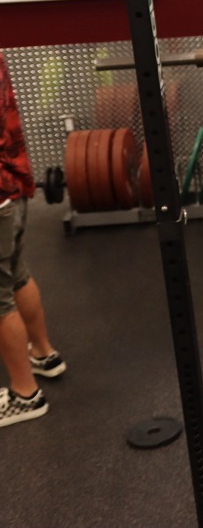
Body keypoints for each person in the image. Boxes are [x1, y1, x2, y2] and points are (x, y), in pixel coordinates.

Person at [0, 52, 66, 429]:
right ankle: (43, 353)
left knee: (0, 297)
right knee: (17, 274)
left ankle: (25, 395)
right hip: (13, 184)